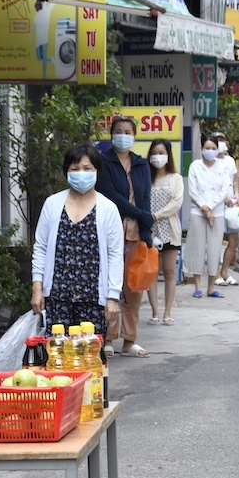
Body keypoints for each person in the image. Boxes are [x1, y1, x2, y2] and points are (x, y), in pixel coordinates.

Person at [31, 143, 123, 340]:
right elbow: (40, 247)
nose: (81, 173)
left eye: (87, 168)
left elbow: (116, 255)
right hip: (57, 297)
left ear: (97, 171)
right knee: (57, 357)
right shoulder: (53, 204)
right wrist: (37, 288)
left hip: (93, 298)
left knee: (90, 359)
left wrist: (113, 297)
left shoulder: (108, 208)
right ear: (66, 172)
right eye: (75, 169)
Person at [96, 116, 153, 358]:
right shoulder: (103, 161)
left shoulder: (142, 165)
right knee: (110, 285)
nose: (123, 135)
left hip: (135, 232)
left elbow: (146, 197)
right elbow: (109, 195)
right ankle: (108, 338)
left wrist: (146, 229)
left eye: (127, 131)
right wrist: (141, 214)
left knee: (134, 288)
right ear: (111, 135)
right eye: (118, 131)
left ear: (134, 135)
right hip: (111, 230)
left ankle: (129, 340)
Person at [184, 134, 234, 298]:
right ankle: (197, 285)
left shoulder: (222, 167)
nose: (210, 151)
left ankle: (211, 286)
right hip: (198, 212)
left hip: (217, 213)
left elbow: (224, 190)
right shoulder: (195, 166)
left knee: (214, 248)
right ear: (202, 149)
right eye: (207, 148)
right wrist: (205, 210)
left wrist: (211, 207)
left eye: (213, 148)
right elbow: (193, 191)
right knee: (197, 247)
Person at [145, 139, 183, 326]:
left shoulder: (175, 178)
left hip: (170, 229)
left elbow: (175, 204)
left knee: (169, 272)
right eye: (154, 153)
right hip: (149, 230)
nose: (158, 157)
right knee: (151, 272)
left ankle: (167, 312)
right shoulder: (145, 177)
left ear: (168, 155)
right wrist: (147, 220)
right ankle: (154, 312)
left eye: (161, 152)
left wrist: (155, 215)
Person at [213, 132, 239, 287]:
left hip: (232, 206)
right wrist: (225, 198)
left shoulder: (230, 161)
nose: (220, 143)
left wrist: (236, 195)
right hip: (218, 205)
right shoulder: (210, 162)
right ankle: (216, 273)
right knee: (217, 239)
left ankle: (225, 271)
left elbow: (234, 181)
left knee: (234, 239)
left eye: (222, 140)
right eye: (217, 140)